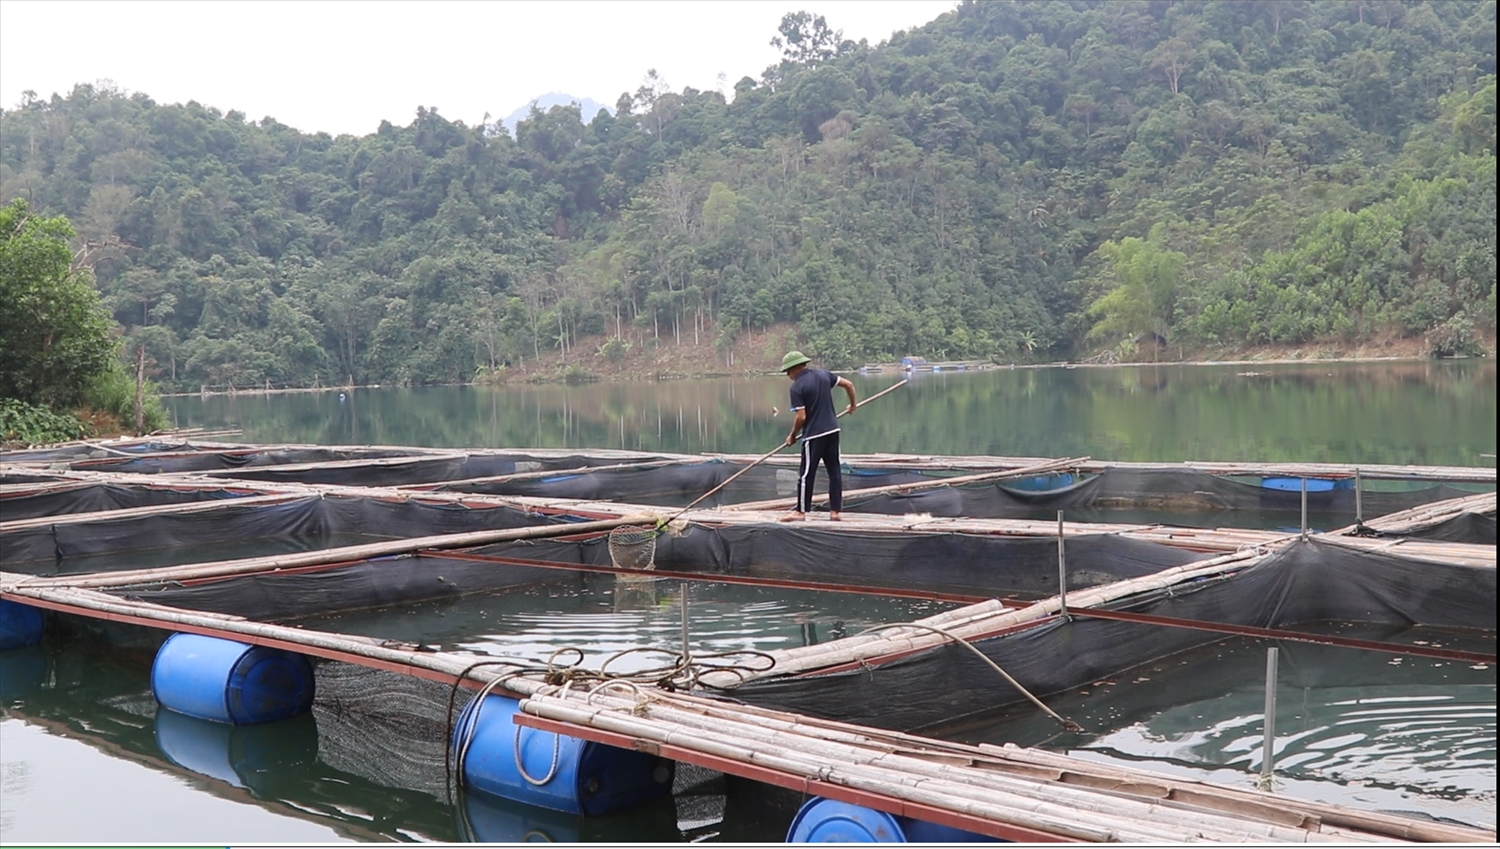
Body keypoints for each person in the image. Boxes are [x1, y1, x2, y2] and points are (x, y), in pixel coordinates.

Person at [779, 351, 857, 521]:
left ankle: (800, 511)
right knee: (834, 471)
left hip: (814, 435)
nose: (788, 376)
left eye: (788, 371)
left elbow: (801, 416)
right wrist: (852, 405)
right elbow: (849, 385)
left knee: (807, 474)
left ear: (795, 368)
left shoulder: (797, 387)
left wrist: (792, 435)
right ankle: (835, 511)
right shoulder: (823, 375)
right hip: (833, 430)